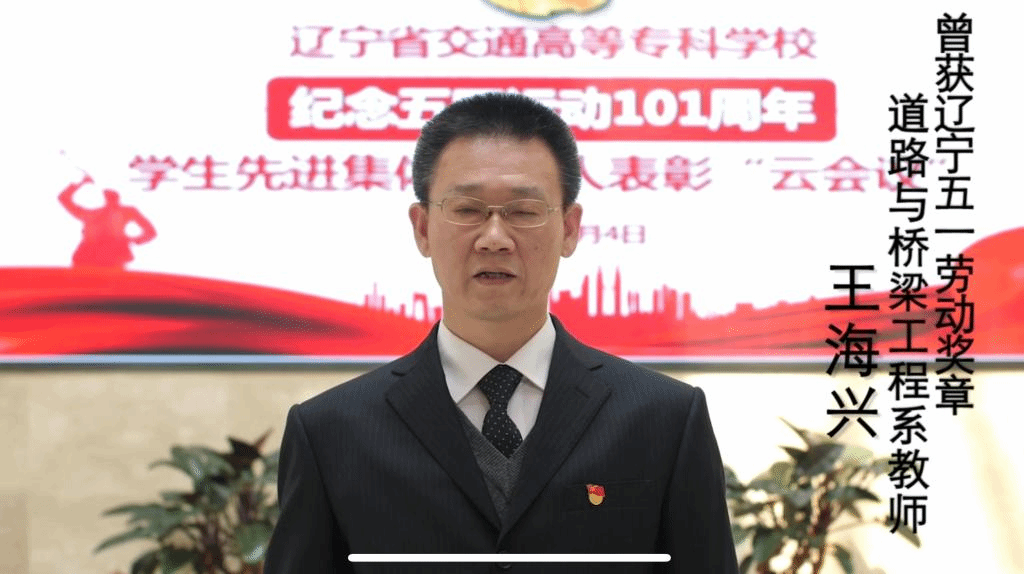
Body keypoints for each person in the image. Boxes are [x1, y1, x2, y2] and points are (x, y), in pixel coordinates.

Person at [264, 93, 739, 573]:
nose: (494, 238)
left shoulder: (664, 420)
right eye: (467, 209)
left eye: (524, 211)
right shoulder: (331, 433)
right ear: (423, 228)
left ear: (569, 228)